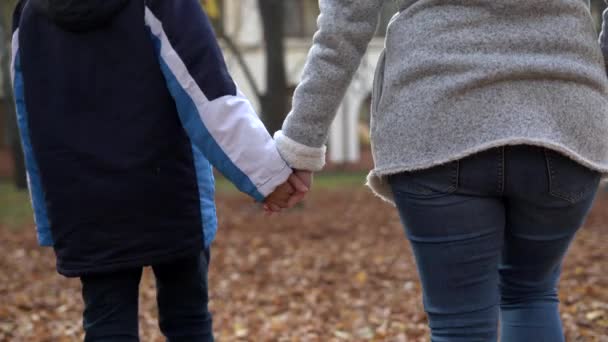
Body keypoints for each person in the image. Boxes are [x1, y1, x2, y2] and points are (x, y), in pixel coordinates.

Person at [275, 0, 608, 341]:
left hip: (437, 116)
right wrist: (596, 78)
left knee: (459, 325)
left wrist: (300, 144)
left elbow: (344, 24)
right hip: (564, 112)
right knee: (531, 294)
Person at [11, 0, 307, 341]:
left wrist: (50, 215)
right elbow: (208, 93)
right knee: (188, 320)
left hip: (84, 207)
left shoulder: (31, 13)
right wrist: (269, 176)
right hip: (168, 193)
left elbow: (31, 122)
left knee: (106, 324)